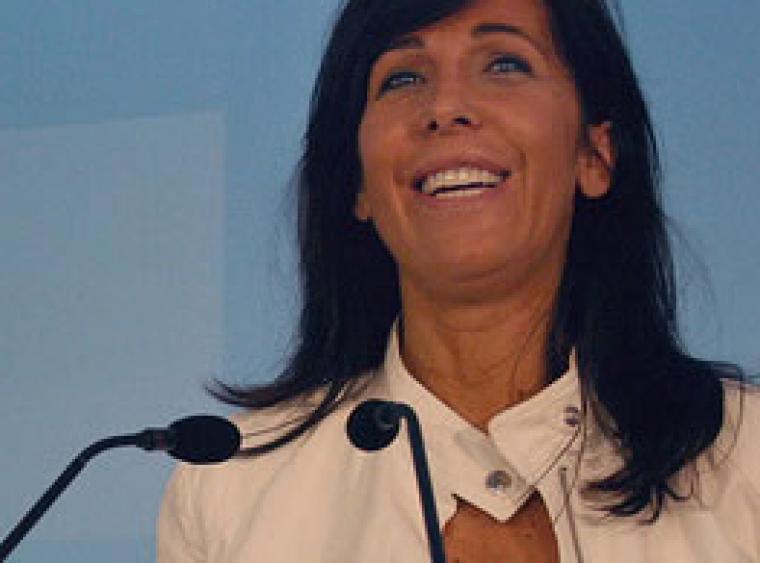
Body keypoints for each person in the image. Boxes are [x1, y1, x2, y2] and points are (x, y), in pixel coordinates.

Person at [157, 0, 759, 561]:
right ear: (358, 183)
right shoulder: (232, 492)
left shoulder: (746, 459)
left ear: (594, 155)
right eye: (402, 78)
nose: (445, 107)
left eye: (504, 64)